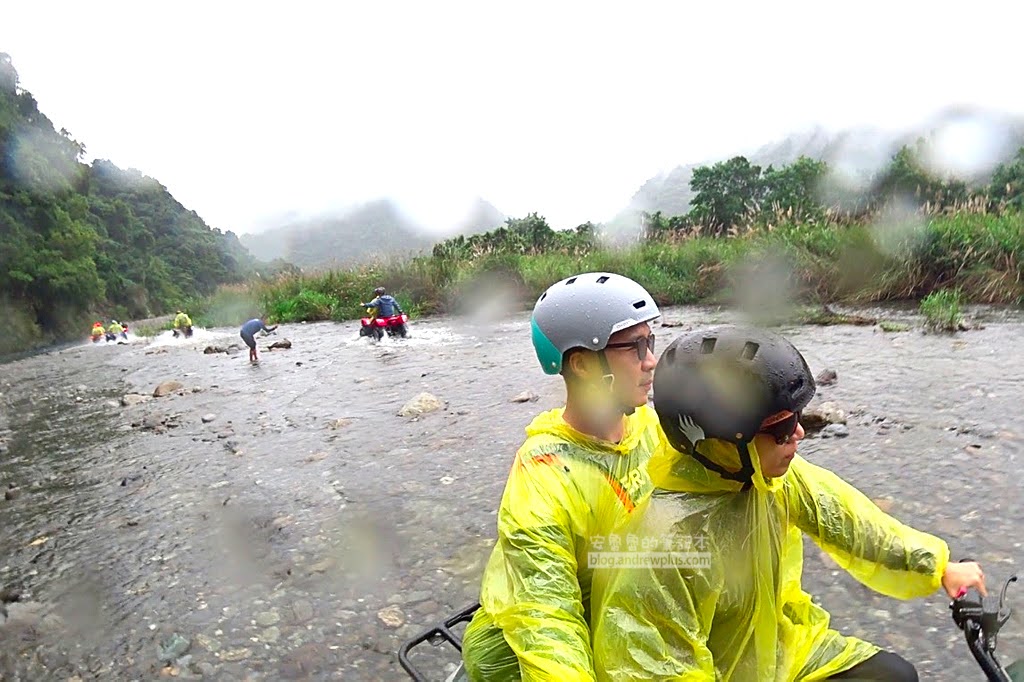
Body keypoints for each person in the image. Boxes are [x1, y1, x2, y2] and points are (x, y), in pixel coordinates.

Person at [589, 325, 987, 681]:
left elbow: (850, 521)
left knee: (895, 676)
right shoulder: (658, 546)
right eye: (779, 427)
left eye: (798, 416)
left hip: (781, 653)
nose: (798, 433)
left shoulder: (768, 480)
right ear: (720, 443)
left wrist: (937, 565)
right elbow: (655, 669)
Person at [461, 272, 664, 681]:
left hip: (620, 606)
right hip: (525, 654)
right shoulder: (541, 479)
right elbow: (548, 616)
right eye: (635, 347)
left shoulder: (647, 424)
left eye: (651, 341)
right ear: (583, 364)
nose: (651, 360)